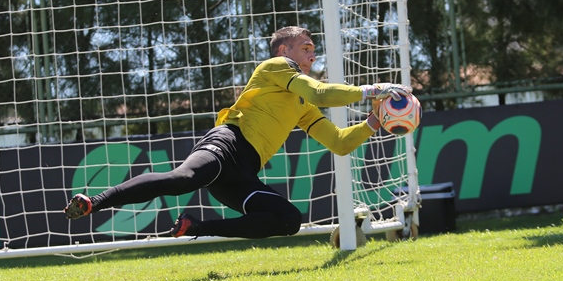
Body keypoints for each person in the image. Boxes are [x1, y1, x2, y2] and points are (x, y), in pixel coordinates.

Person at [63, 26, 411, 239]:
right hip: (227, 143)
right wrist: (374, 89)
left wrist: (373, 122)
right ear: (284, 51)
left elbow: (338, 143)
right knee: (184, 179)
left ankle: (196, 228)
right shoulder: (277, 66)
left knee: (288, 220)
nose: (312, 54)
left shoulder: (302, 104)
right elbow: (320, 92)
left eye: (312, 50)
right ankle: (94, 202)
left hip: (243, 172)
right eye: (305, 48)